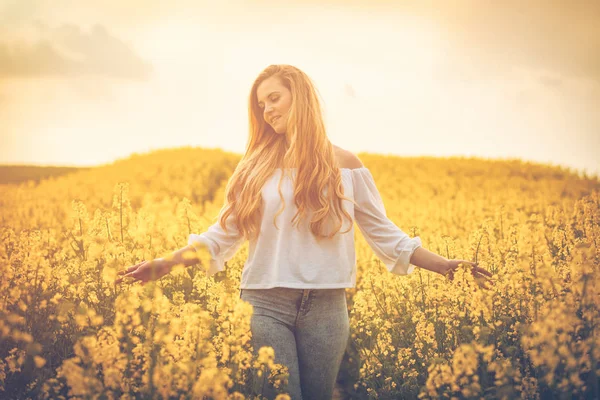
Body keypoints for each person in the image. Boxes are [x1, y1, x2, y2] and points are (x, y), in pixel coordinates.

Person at [115, 64, 494, 400]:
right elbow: (222, 235)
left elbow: (386, 235)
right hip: (265, 304)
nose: (267, 111)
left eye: (274, 98)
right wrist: (164, 264)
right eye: (261, 105)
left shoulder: (347, 166)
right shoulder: (255, 167)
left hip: (328, 309)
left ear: (302, 96)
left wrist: (445, 266)